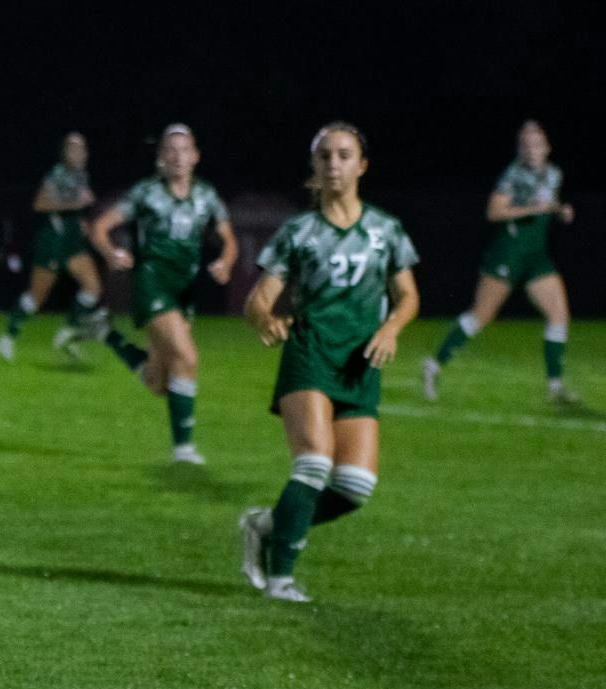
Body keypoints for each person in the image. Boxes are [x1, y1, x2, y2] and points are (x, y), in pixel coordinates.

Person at [239, 123, 419, 603]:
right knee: (314, 463)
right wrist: (265, 320)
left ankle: (265, 525)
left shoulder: (385, 230)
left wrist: (389, 330)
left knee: (355, 487)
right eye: (325, 157)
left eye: (344, 155)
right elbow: (258, 300)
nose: (334, 165)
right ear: (315, 168)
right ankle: (280, 579)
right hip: (310, 353)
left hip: (360, 363)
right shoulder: (300, 232)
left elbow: (408, 297)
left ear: (362, 165)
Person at [86, 123, 238, 464]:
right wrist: (111, 253)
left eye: (185, 150)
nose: (178, 156)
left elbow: (229, 240)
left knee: (158, 382)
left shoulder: (206, 196)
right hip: (152, 282)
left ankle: (106, 334)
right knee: (187, 358)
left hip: (184, 289)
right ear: (160, 161)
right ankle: (183, 451)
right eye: (171, 150)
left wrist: (226, 262)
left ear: (196, 157)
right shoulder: (146, 193)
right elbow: (99, 227)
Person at [421, 120, 579, 404]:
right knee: (481, 315)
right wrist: (535, 208)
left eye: (536, 144)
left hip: (536, 256)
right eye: (526, 144)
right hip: (508, 252)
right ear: (520, 149)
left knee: (559, 314)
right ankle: (433, 365)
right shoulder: (513, 175)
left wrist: (560, 211)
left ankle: (555, 388)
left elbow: (548, 204)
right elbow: (494, 212)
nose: (531, 149)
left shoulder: (554, 174)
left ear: (547, 147)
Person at [0, 132, 107, 361]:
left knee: (93, 287)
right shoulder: (57, 174)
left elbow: (78, 206)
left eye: (82, 148)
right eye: (73, 148)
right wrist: (76, 204)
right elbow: (39, 204)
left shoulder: (81, 175)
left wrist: (82, 222)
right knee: (37, 297)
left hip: (72, 240)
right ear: (64, 153)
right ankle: (6, 339)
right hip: (53, 240)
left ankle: (68, 333)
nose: (79, 153)